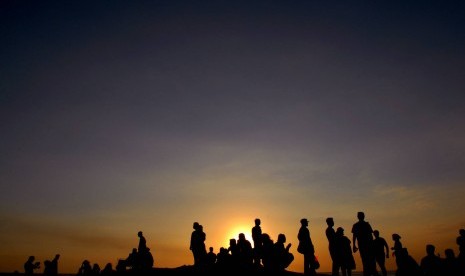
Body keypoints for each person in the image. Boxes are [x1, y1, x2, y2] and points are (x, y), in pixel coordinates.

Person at [352, 211, 376, 276]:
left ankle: (368, 273)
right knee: (369, 260)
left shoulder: (359, 225)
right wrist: (354, 245)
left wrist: (354, 245)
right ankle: (369, 273)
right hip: (365, 245)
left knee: (366, 260)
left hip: (365, 245)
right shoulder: (364, 224)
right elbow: (355, 236)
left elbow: (355, 236)